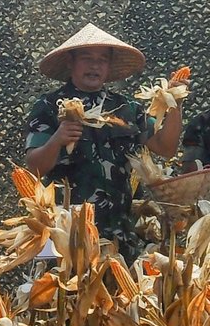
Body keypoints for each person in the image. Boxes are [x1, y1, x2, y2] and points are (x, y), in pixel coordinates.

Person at [25, 23, 184, 260]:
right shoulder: (48, 106)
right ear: (71, 62)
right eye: (86, 58)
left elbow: (165, 148)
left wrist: (175, 103)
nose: (94, 65)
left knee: (120, 296)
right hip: (64, 229)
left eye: (102, 60)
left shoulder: (128, 109)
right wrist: (56, 140)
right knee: (60, 294)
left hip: (120, 229)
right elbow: (34, 167)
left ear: (109, 67)